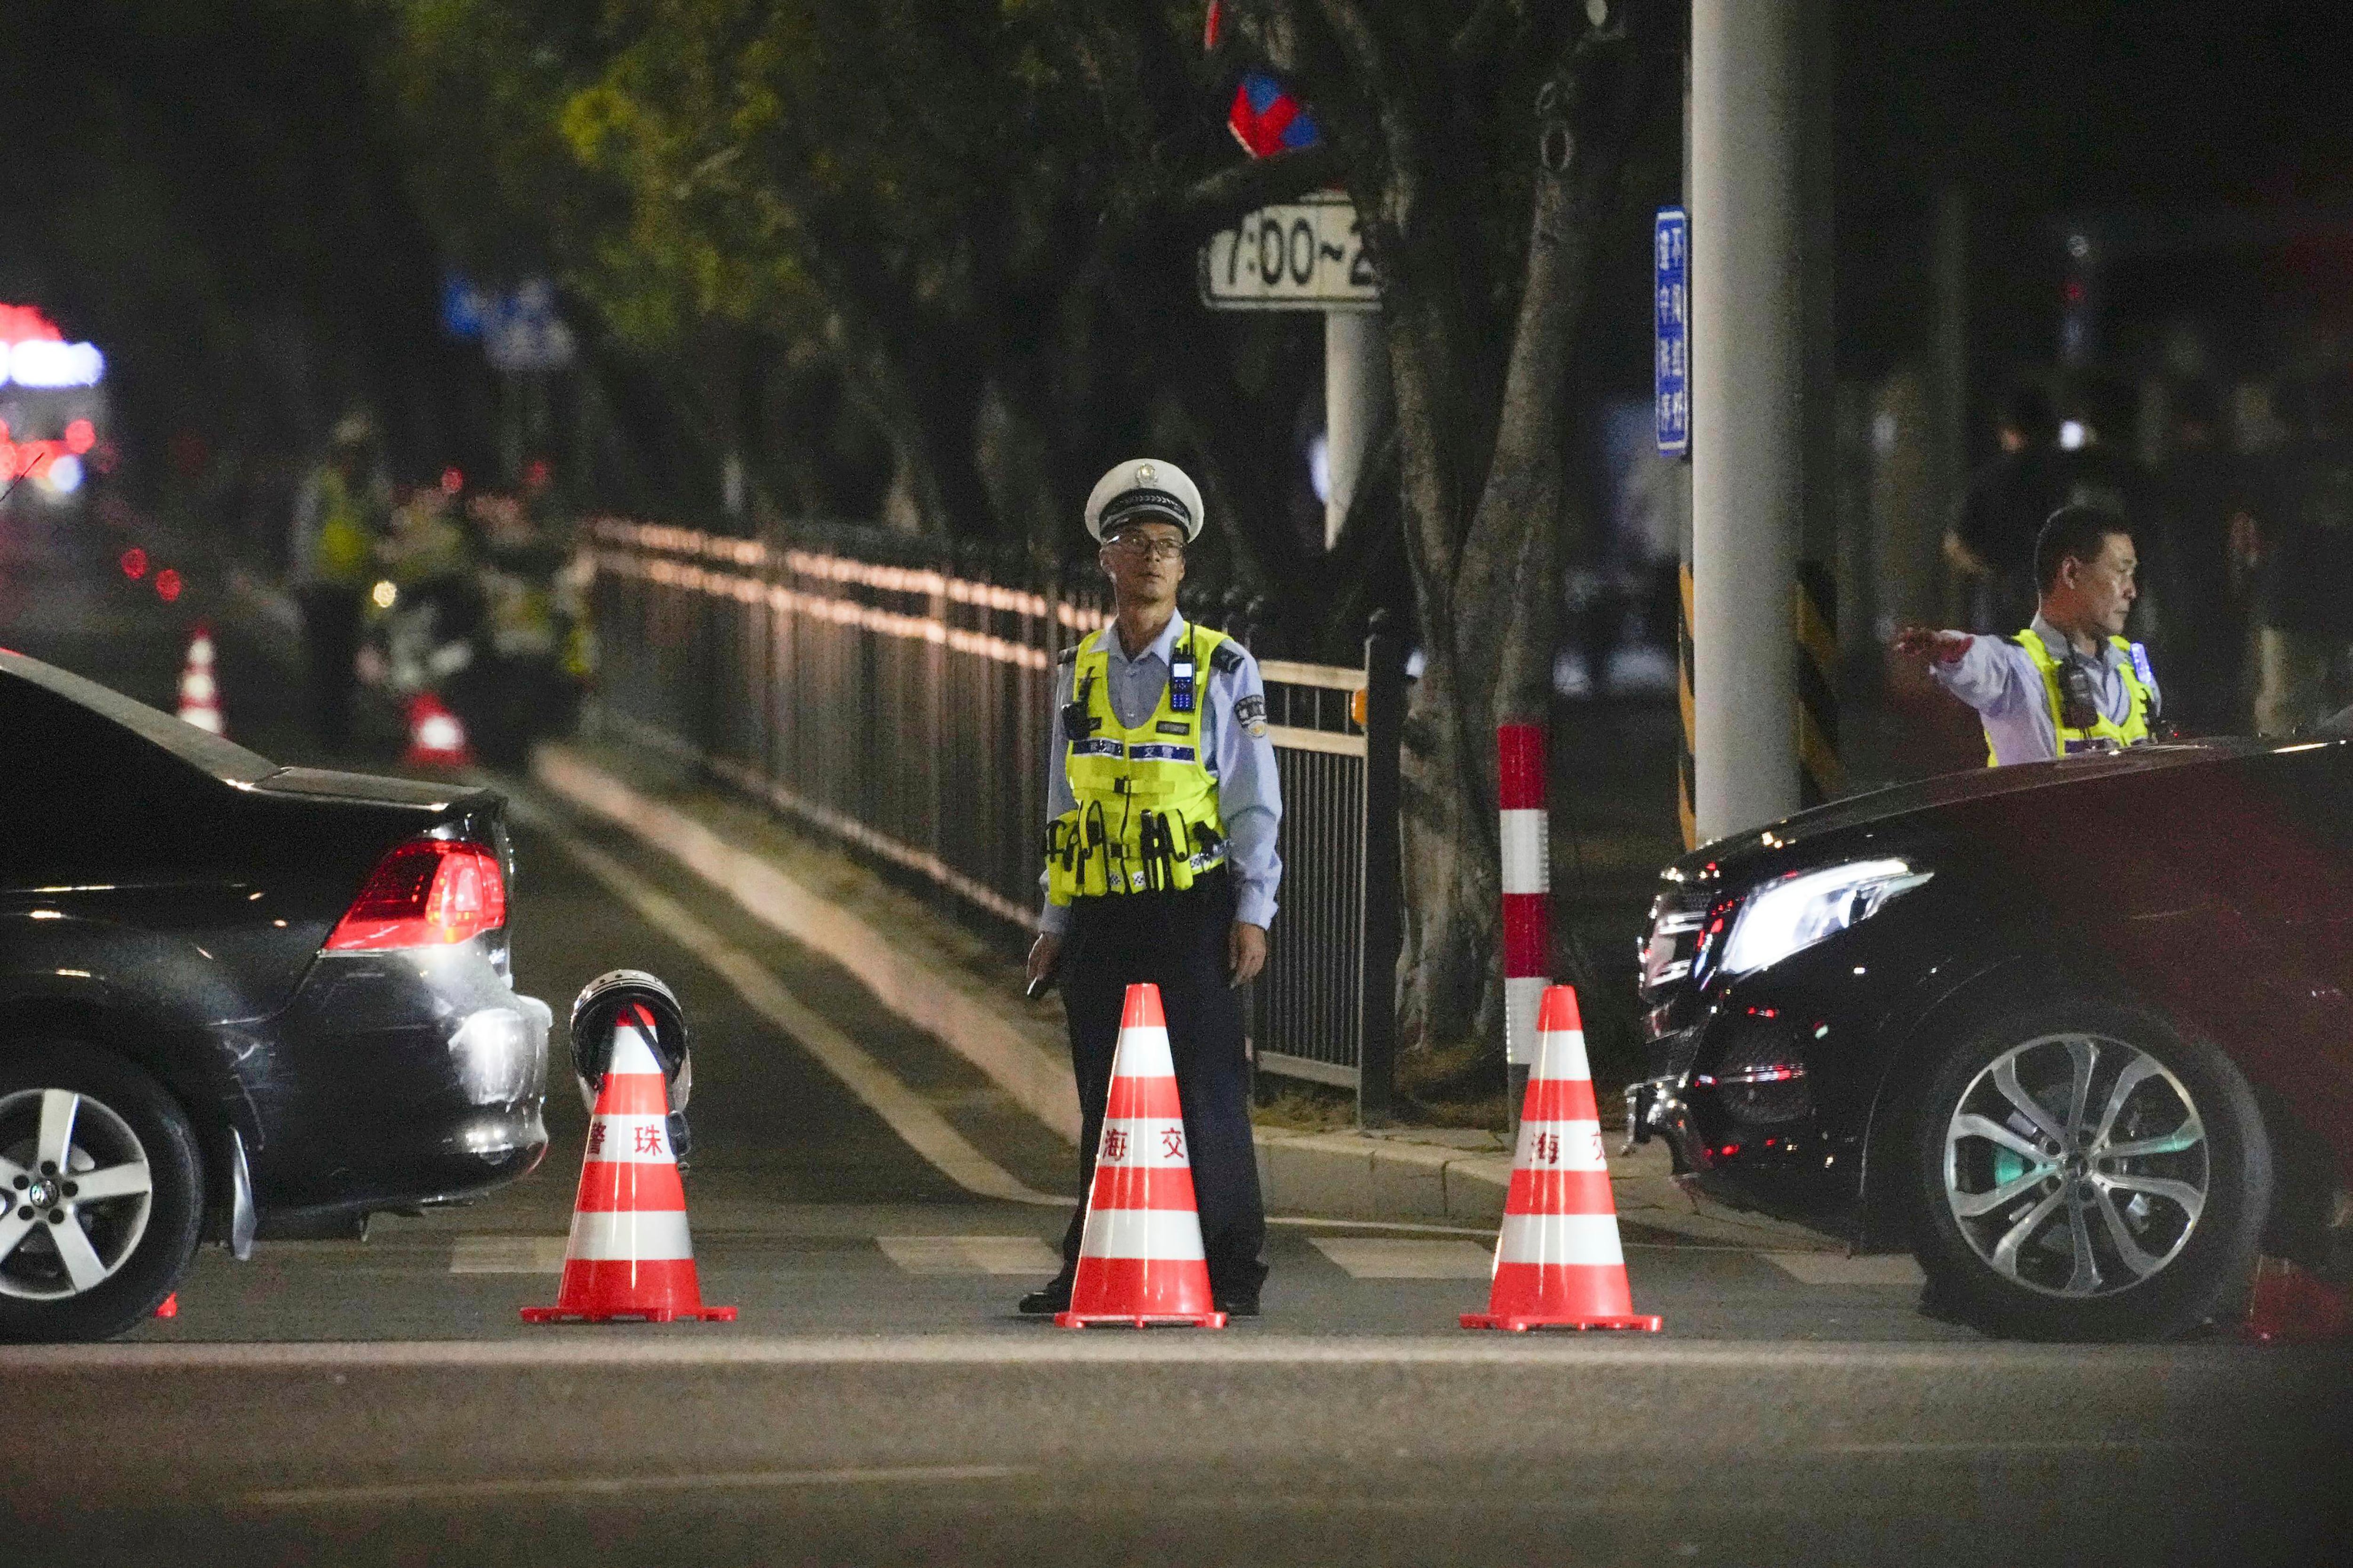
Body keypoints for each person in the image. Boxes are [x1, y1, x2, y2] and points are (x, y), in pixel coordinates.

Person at [1018, 458, 1282, 1319]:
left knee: (1208, 1090)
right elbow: (1063, 802)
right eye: (1136, 542)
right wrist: (1055, 919)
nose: (1153, 558)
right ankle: (1093, 1262)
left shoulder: (1223, 666)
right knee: (1105, 1096)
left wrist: (1253, 910)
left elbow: (1253, 801)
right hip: (1101, 911)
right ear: (1107, 559)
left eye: (1168, 545)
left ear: (1184, 563)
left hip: (1190, 906)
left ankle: (1231, 1266)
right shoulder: (1079, 668)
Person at [1894, 504, 2160, 766]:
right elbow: (1979, 659)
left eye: (2132, 574)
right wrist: (1951, 651)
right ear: (2071, 573)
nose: (2132, 591)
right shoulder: (2017, 669)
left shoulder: (2133, 662)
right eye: (2121, 572)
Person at [2250, 376, 2353, 735]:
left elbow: (2257, 537)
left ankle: (2285, 773)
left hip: (2290, 603)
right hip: (2341, 601)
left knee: (2285, 716)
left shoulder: (2279, 461)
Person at [288, 412, 389, 750]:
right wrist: (303, 579)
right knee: (322, 660)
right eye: (351, 452)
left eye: (362, 454)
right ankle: (321, 730)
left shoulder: (372, 494)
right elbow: (304, 533)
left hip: (353, 590)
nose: (355, 461)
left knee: (345, 663)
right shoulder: (323, 487)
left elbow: (378, 537)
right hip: (320, 588)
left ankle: (340, 731)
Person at [1948, 385, 2065, 634]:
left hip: (1999, 606)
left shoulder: (1989, 480)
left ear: (2007, 431)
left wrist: (1991, 575)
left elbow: (1956, 545)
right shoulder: (2064, 479)